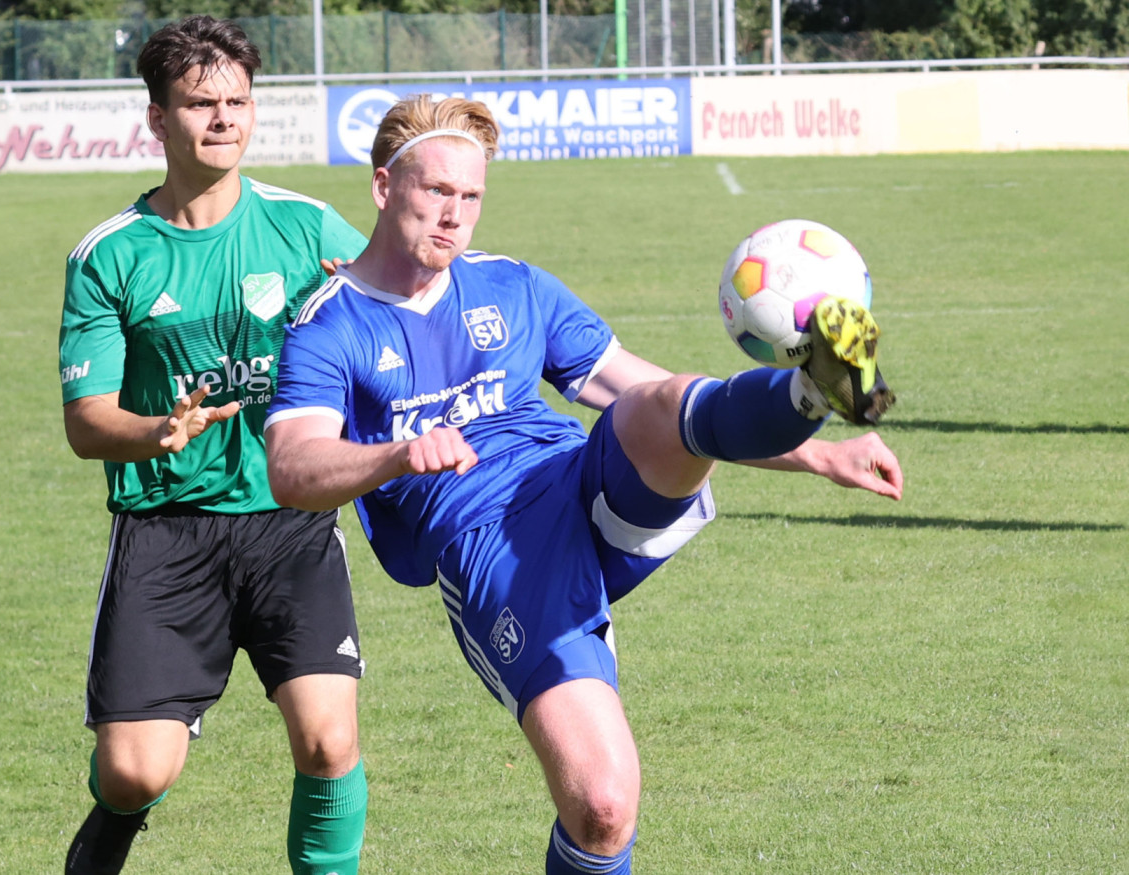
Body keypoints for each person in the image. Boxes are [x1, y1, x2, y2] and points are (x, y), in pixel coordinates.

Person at [262, 94, 901, 874]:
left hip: (579, 478)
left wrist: (817, 453)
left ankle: (810, 391)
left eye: (470, 197)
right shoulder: (328, 325)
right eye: (436, 192)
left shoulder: (514, 286)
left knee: (659, 401)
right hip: (495, 546)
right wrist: (394, 456)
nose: (455, 216)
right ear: (384, 185)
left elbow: (650, 389)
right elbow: (293, 468)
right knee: (602, 805)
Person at [57, 16, 369, 875]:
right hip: (165, 529)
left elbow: (395, 312)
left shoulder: (309, 230)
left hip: (289, 520)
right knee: (132, 772)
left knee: (327, 737)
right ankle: (114, 818)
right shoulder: (109, 256)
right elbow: (87, 421)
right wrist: (156, 430)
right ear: (157, 119)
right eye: (200, 103)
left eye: (236, 101)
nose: (223, 118)